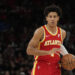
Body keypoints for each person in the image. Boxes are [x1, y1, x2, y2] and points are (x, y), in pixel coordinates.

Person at [26, 4, 69, 75]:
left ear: (58, 18)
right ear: (46, 18)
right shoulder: (40, 31)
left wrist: (67, 55)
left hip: (56, 68)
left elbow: (59, 46)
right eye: (50, 16)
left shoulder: (63, 33)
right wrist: (48, 52)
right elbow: (29, 50)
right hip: (41, 67)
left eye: (54, 17)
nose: (52, 19)